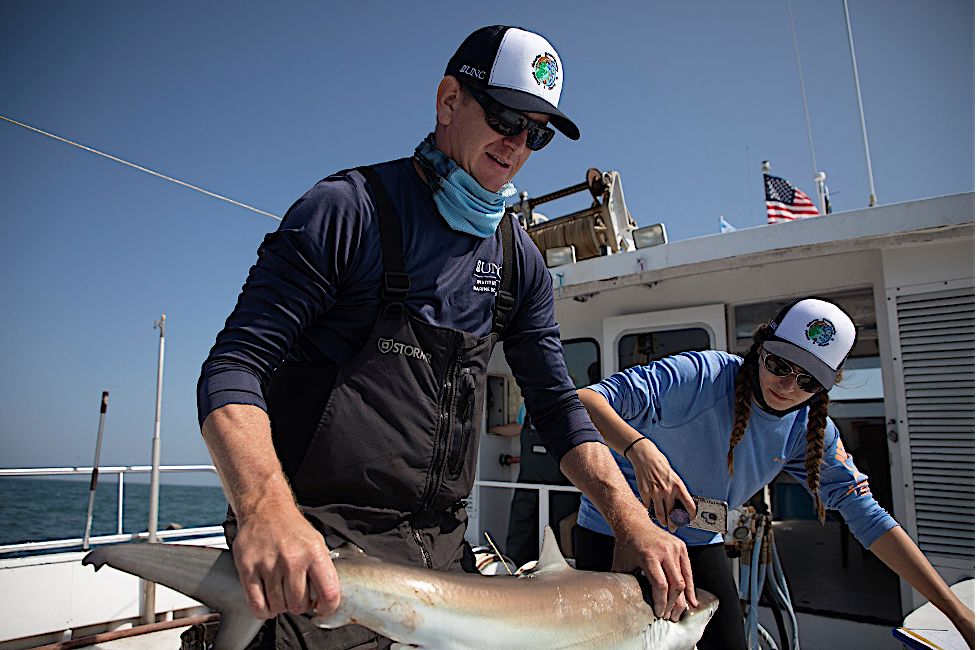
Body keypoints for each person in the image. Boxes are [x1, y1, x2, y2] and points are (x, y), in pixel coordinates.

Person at [197, 26, 695, 650]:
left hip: (446, 568)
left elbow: (559, 410)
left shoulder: (520, 263)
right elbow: (232, 370)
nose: (516, 146)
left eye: (536, 134)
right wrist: (266, 512)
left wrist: (631, 522)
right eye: (506, 117)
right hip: (321, 557)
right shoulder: (347, 212)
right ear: (449, 100)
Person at [573, 297, 976, 649]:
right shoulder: (701, 376)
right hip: (615, 530)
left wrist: (958, 615)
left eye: (808, 381)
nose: (787, 385)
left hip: (698, 538)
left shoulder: (808, 430)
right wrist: (640, 449)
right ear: (761, 347)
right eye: (780, 364)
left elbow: (870, 519)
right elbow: (586, 400)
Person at [488, 403, 578, 566]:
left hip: (562, 491)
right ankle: (517, 572)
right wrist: (491, 430)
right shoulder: (528, 406)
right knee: (521, 532)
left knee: (560, 540)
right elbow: (518, 427)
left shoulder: (571, 403)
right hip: (528, 487)